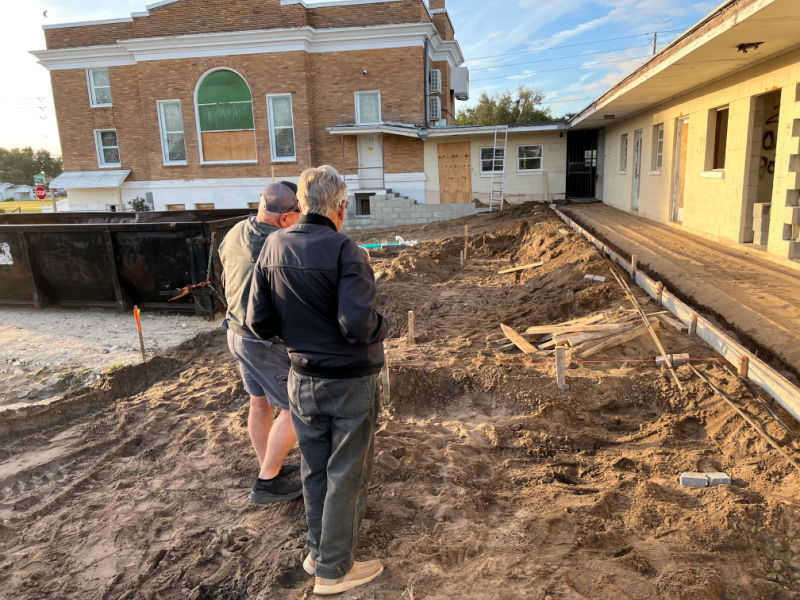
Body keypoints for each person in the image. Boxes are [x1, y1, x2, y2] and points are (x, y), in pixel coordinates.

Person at [246, 165, 386, 596]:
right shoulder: (347, 251)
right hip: (349, 383)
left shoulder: (272, 247)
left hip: (302, 379)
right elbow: (357, 325)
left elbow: (258, 322)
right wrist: (384, 325)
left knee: (315, 468)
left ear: (301, 205)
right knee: (347, 472)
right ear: (341, 208)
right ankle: (333, 570)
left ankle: (317, 551)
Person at [218, 182, 303, 504]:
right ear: (285, 218)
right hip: (263, 341)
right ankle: (267, 482)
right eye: (299, 215)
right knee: (296, 407)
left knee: (259, 402)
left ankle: (271, 464)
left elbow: (225, 277)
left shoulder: (236, 230)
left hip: (236, 332)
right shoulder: (278, 245)